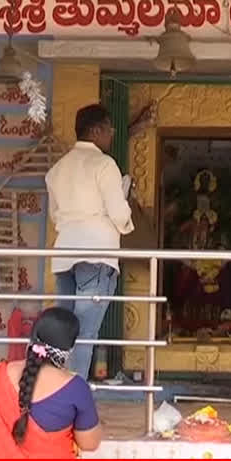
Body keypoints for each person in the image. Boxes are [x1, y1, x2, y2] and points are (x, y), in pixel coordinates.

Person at [46, 104, 134, 380]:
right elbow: (119, 213)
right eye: (109, 128)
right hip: (96, 253)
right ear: (96, 131)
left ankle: (55, 393)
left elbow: (53, 215)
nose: (112, 134)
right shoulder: (104, 164)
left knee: (63, 331)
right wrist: (125, 218)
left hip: (64, 255)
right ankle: (73, 399)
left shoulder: (57, 169)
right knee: (85, 332)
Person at [0, 308, 102, 458]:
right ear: (69, 349)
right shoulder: (76, 387)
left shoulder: (0, 374)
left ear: (32, 336)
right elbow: (89, 444)